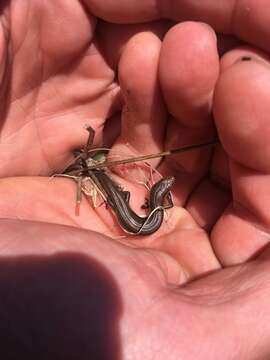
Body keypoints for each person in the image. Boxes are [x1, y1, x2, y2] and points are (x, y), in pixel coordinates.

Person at [0, 1, 269, 358]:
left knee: (117, 198)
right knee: (117, 197)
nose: (166, 188)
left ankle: (102, 184)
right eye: (165, 187)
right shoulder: (156, 209)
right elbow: (157, 203)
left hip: (136, 223)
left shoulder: (153, 211)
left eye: (164, 188)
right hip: (137, 220)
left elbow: (155, 204)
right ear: (161, 193)